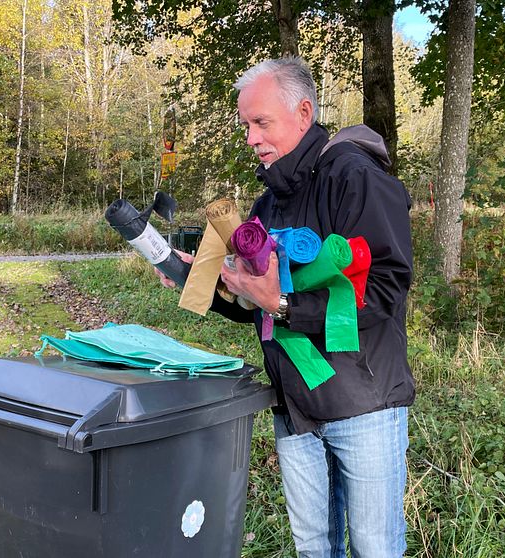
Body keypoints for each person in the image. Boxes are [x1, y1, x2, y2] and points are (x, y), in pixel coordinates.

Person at [165, 56, 414, 557]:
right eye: (245, 125)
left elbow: (387, 287)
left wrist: (281, 303)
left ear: (303, 114)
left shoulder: (355, 177)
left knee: (375, 549)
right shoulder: (266, 204)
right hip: (294, 409)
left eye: (261, 123)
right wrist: (209, 284)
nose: (251, 138)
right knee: (313, 548)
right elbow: (257, 308)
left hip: (362, 403)